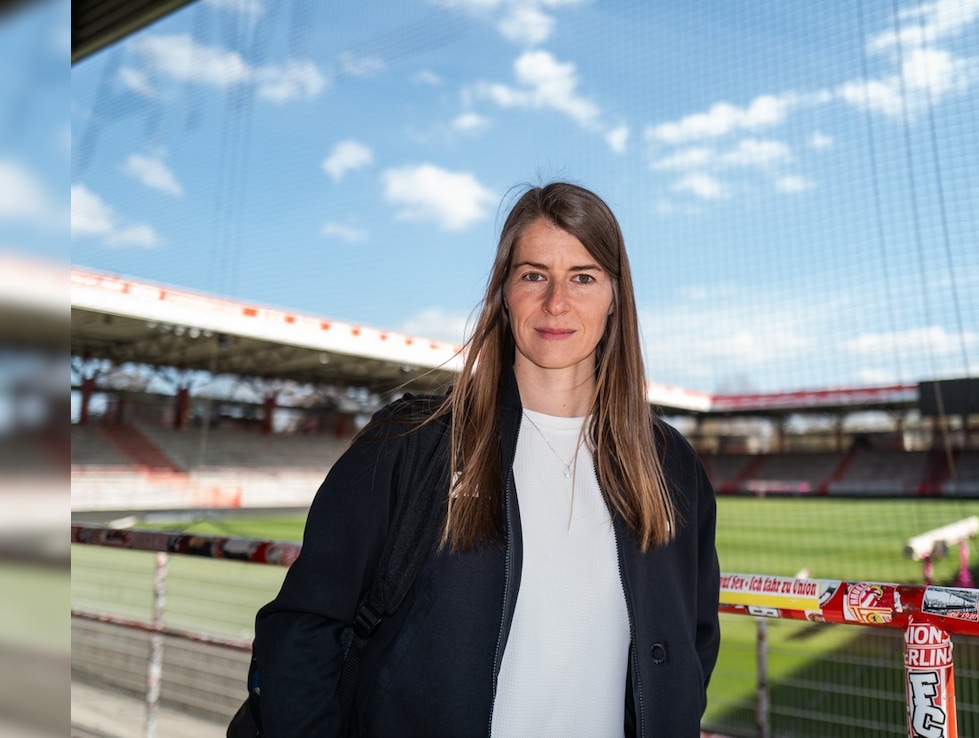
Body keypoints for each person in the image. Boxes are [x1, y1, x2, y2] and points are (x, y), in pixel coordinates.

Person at [252, 182, 721, 736]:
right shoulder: (415, 441)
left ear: (616, 296)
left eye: (584, 277)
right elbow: (304, 630)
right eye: (533, 275)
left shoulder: (671, 466)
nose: (556, 302)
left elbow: (693, 643)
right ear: (504, 292)